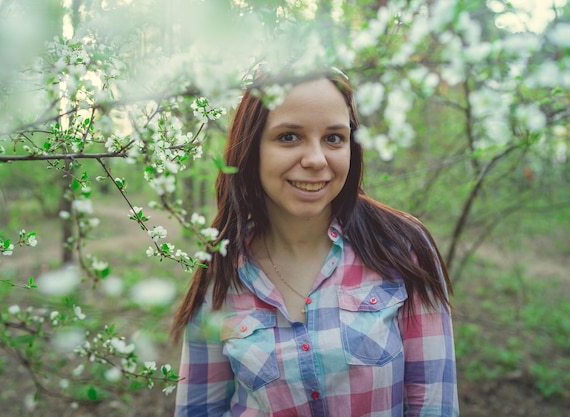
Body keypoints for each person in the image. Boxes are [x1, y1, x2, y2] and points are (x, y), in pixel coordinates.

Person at [171, 67, 459, 417]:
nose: (316, 160)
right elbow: (200, 410)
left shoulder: (403, 249)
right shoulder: (220, 268)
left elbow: (434, 407)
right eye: (289, 137)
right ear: (251, 148)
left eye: (334, 138)